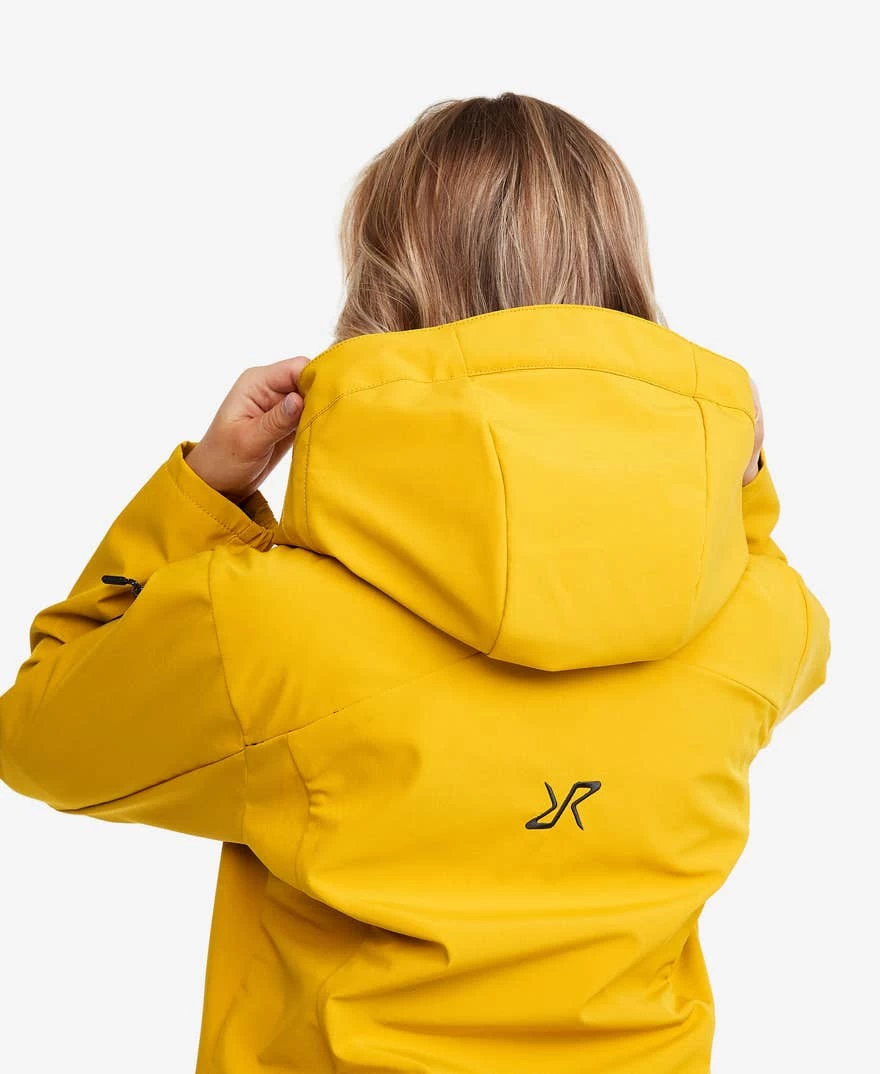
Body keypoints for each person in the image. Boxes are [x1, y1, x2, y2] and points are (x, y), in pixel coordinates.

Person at [0, 93, 830, 1073]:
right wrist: (733, 473)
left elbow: (39, 737)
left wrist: (200, 494)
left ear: (381, 290)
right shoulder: (754, 623)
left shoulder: (265, 624)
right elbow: (779, 611)